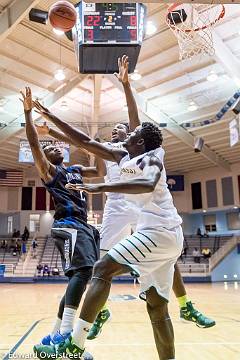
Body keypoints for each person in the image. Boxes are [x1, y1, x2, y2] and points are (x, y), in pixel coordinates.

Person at [33, 56, 215, 336]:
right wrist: (52, 128)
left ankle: (185, 303)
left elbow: (134, 119)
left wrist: (126, 84)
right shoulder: (114, 151)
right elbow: (83, 140)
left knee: (167, 257)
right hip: (119, 207)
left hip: (142, 208)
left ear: (135, 136)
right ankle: (98, 312)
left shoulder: (142, 152)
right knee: (101, 264)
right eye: (116, 128)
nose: (120, 129)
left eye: (125, 128)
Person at [34, 114, 184, 359]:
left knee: (102, 268)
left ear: (141, 143)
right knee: (158, 309)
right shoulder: (123, 156)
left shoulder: (153, 158)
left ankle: (76, 344)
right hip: (161, 233)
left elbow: (146, 184)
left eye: (133, 134)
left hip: (160, 231)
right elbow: (84, 141)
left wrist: (99, 187)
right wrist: (51, 120)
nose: (128, 133)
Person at [20, 87, 105, 360]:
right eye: (51, 148)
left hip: (83, 225)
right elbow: (34, 145)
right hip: (68, 224)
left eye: (56, 145)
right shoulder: (50, 171)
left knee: (81, 278)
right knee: (83, 273)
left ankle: (55, 333)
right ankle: (66, 335)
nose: (55, 147)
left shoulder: (75, 170)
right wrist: (27, 114)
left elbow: (100, 171)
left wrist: (93, 146)